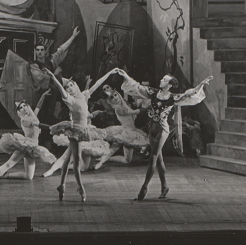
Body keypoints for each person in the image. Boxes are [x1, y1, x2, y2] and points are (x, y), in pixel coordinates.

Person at [115, 69, 211, 200]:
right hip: (151, 128)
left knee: (153, 157)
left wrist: (201, 85)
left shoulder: (172, 98)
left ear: (170, 85)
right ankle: (165, 186)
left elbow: (189, 95)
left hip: (162, 129)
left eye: (165, 80)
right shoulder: (154, 93)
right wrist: (125, 75)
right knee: (159, 160)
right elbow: (138, 87)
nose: (161, 80)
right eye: (163, 79)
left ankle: (144, 187)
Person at [46, 70, 107, 202]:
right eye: (67, 87)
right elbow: (61, 89)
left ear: (75, 85)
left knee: (68, 159)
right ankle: (80, 187)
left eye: (71, 85)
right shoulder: (70, 99)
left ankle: (62, 185)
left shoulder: (84, 95)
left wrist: (111, 72)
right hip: (75, 131)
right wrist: (52, 77)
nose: (69, 88)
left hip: (83, 129)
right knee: (77, 159)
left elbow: (97, 84)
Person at [0, 89, 55, 185]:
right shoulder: (24, 120)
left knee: (29, 177)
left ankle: (6, 175)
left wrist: (43, 95)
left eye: (24, 106)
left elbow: (38, 107)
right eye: (21, 107)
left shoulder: (33, 115)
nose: (23, 108)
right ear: (20, 111)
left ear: (27, 106)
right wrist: (53, 128)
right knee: (10, 163)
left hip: (33, 147)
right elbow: (39, 125)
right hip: (25, 145)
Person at [28, 27, 80, 122]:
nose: (40, 52)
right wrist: (55, 74)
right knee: (41, 116)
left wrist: (73, 36)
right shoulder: (34, 65)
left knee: (54, 115)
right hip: (42, 94)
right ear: (35, 51)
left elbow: (61, 49)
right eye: (38, 50)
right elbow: (41, 78)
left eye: (42, 50)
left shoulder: (51, 61)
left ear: (45, 51)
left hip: (54, 93)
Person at [92, 84, 149, 169]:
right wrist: (149, 107)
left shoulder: (123, 104)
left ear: (118, 94)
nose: (115, 97)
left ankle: (108, 159)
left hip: (131, 131)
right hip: (127, 132)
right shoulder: (118, 109)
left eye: (115, 95)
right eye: (112, 98)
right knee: (114, 148)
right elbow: (133, 112)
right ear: (111, 102)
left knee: (127, 160)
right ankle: (101, 162)